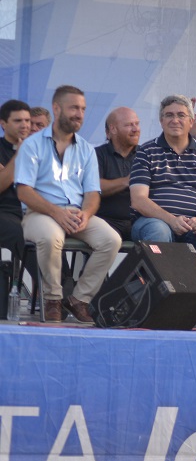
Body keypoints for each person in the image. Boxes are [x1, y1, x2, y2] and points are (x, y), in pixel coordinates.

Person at [15, 85, 121, 323]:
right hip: (38, 213)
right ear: (57, 108)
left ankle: (79, 300)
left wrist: (86, 213)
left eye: (82, 109)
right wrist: (56, 213)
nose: (79, 114)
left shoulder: (85, 148)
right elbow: (23, 191)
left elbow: (93, 193)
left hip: (76, 213)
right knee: (52, 237)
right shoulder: (32, 145)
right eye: (74, 107)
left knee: (111, 240)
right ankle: (53, 299)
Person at [129, 94, 196, 331]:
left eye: (180, 115)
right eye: (169, 115)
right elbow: (138, 199)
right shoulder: (146, 152)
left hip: (194, 222)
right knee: (159, 231)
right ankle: (163, 306)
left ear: (190, 121)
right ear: (161, 120)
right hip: (153, 220)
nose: (174, 120)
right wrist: (170, 219)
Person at [0, 99, 32, 305]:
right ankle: (51, 295)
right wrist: (19, 155)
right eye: (18, 120)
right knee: (24, 235)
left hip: (34, 211)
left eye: (28, 120)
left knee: (52, 234)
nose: (25, 125)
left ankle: (65, 286)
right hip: (5, 211)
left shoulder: (40, 150)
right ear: (4, 124)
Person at [94, 107, 141, 240]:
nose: (135, 129)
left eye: (137, 124)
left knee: (157, 232)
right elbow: (95, 187)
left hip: (139, 223)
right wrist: (128, 180)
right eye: (129, 125)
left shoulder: (146, 155)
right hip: (105, 221)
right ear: (113, 129)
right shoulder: (97, 154)